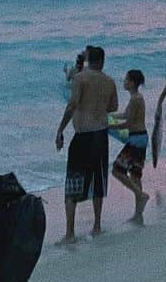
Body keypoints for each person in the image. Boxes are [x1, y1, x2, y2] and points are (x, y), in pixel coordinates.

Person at [55, 43, 118, 242]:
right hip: (100, 135)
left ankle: (70, 234)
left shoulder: (80, 78)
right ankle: (97, 226)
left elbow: (72, 104)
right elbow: (113, 107)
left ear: (89, 60)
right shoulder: (109, 81)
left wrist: (60, 130)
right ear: (103, 61)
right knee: (98, 181)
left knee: (73, 182)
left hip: (82, 136)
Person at [109, 70, 150, 221]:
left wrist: (109, 126)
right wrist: (109, 116)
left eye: (126, 80)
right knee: (135, 174)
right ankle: (138, 214)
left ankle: (140, 195)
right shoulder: (136, 97)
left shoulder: (136, 99)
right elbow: (125, 115)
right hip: (140, 138)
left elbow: (128, 123)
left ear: (132, 82)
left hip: (136, 139)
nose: (124, 82)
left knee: (116, 170)